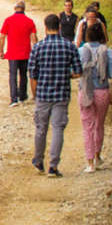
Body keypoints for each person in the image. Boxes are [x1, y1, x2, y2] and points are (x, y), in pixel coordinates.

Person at [29, 13, 82, 176]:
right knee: (58, 128)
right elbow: (78, 71)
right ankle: (53, 165)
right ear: (59, 27)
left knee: (41, 128)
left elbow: (32, 74)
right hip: (61, 94)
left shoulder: (38, 47)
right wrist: (67, 75)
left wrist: (35, 95)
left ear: (44, 28)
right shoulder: (69, 46)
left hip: (43, 94)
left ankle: (38, 161)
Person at [78, 21, 112, 172]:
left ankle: (89, 164)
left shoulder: (82, 50)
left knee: (87, 127)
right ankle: (97, 156)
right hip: (102, 91)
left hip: (86, 91)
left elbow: (77, 70)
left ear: (87, 35)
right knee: (99, 125)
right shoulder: (108, 52)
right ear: (102, 36)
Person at [0, 0, 37, 106]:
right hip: (25, 53)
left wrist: (2, 51)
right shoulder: (30, 21)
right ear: (24, 9)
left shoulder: (8, 20)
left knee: (13, 75)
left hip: (12, 53)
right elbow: (34, 38)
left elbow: (3, 37)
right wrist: (36, 51)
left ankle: (14, 98)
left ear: (15, 8)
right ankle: (22, 96)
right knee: (23, 74)